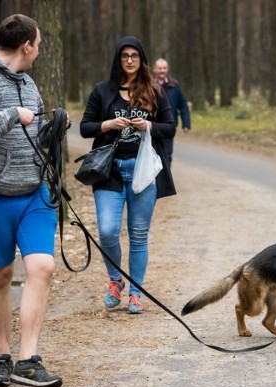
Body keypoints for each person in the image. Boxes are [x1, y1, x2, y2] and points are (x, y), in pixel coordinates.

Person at [0, 14, 66, 387]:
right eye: (38, 44)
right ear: (27, 46)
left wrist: (52, 130)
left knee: (42, 267)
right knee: (0, 275)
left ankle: (27, 359)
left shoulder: (29, 82)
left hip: (33, 194)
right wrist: (10, 115)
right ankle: (3, 355)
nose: (38, 51)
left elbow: (32, 130)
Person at [80, 37, 176, 314]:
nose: (130, 60)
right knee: (108, 231)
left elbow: (169, 127)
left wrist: (149, 125)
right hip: (108, 171)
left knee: (138, 234)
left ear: (141, 60)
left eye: (135, 55)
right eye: (125, 56)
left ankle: (135, 292)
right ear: (118, 60)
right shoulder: (102, 91)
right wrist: (108, 123)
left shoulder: (155, 91)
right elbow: (86, 127)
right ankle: (115, 281)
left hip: (142, 171)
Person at [152, 58, 191, 165]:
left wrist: (186, 124)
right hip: (152, 126)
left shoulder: (174, 86)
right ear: (154, 69)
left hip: (169, 125)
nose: (162, 70)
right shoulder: (148, 85)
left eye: (164, 68)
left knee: (167, 155)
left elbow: (183, 105)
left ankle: (165, 180)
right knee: (152, 154)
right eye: (159, 68)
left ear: (167, 69)